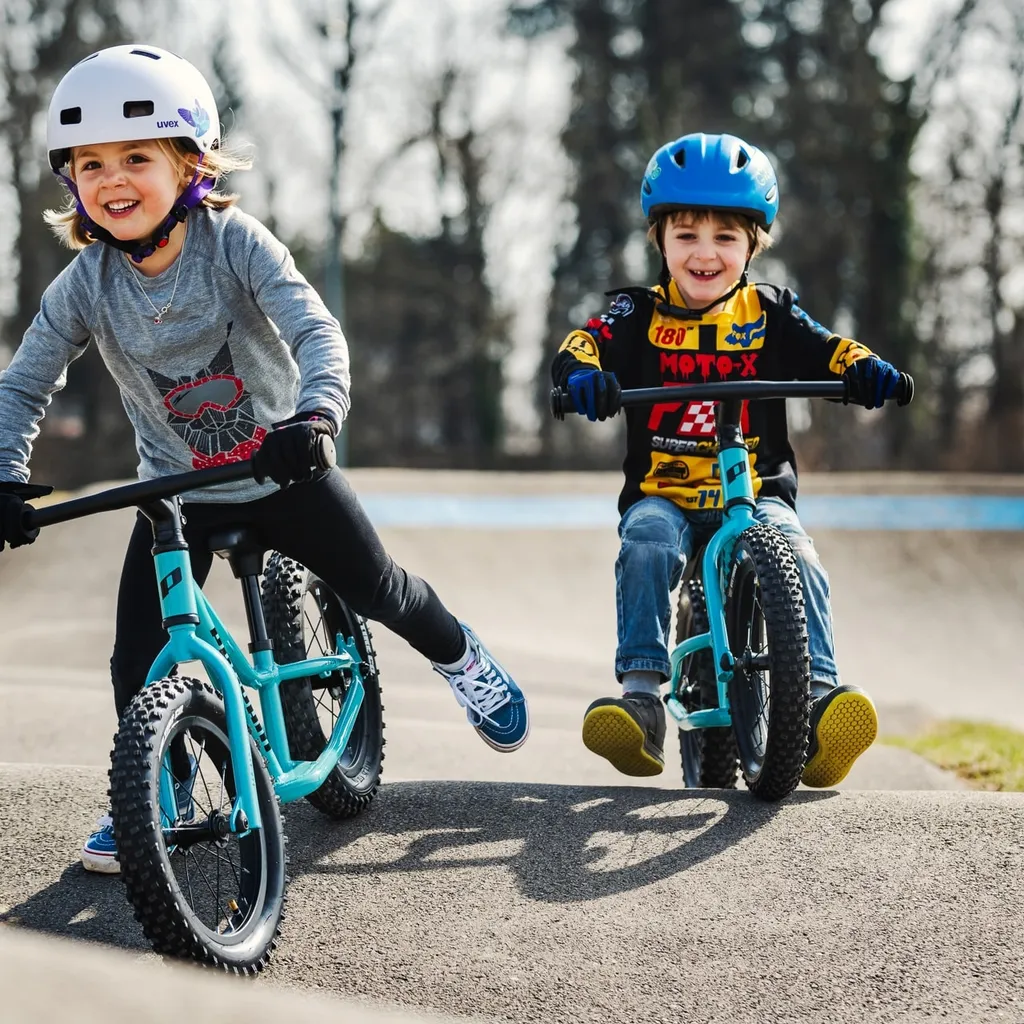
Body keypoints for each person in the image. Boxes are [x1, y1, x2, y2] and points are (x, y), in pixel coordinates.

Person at [0, 45, 529, 875]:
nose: (113, 180)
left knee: (376, 587)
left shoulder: (234, 244)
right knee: (137, 655)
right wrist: (3, 475)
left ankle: (460, 656)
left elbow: (316, 331)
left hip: (287, 468)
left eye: (137, 158)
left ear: (190, 165)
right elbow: (24, 383)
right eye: (90, 164)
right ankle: (160, 790)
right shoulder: (84, 283)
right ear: (72, 183)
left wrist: (317, 414)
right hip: (177, 496)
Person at [551, 132, 907, 789]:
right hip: (666, 492)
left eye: (725, 236)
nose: (705, 252)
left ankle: (821, 699)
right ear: (659, 240)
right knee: (647, 541)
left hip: (756, 486)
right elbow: (584, 342)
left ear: (754, 244)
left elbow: (828, 349)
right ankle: (640, 697)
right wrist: (582, 375)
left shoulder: (771, 311)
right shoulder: (636, 311)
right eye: (686, 235)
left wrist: (868, 371)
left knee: (794, 551)